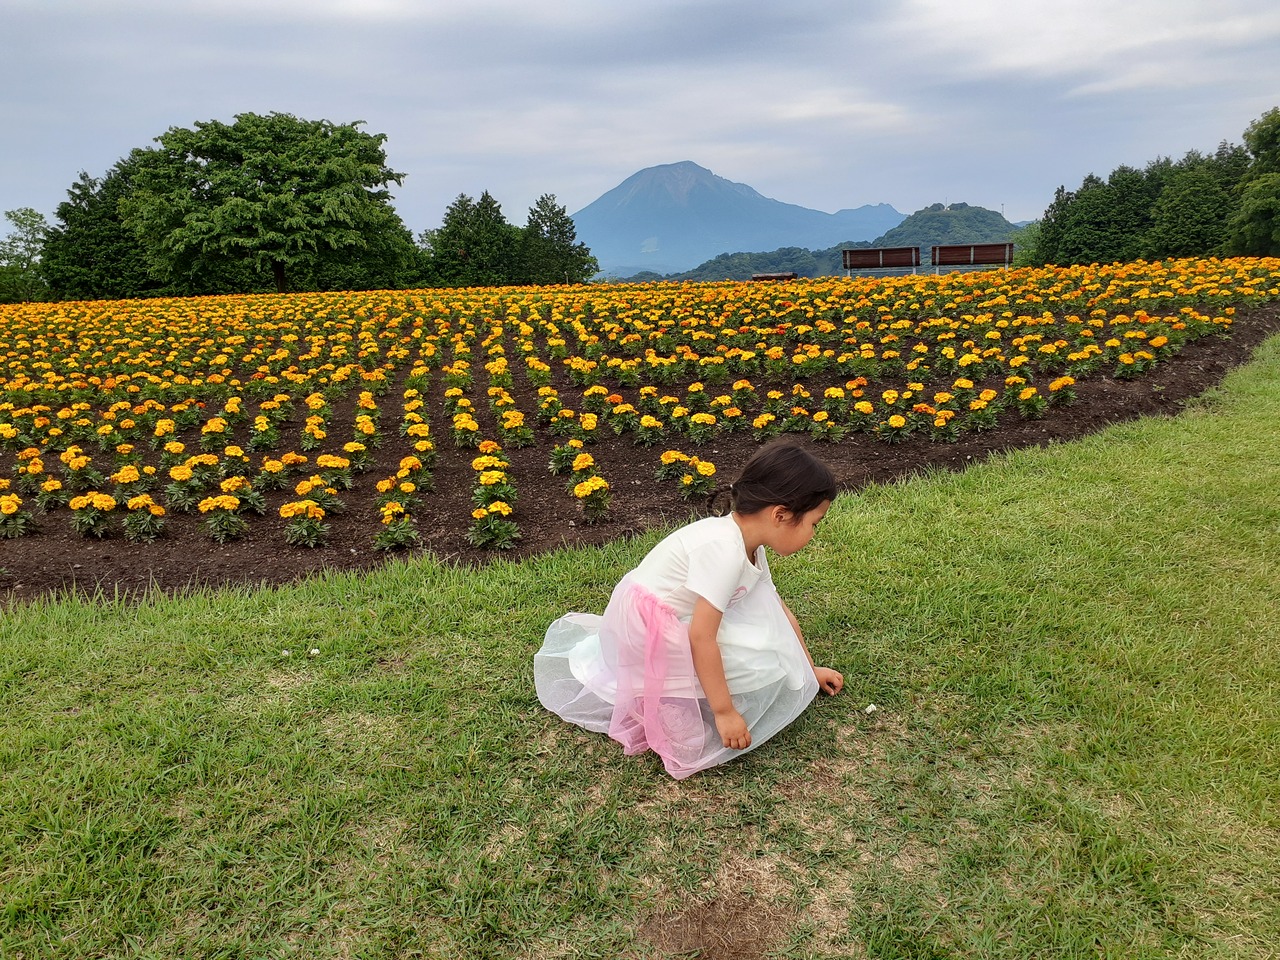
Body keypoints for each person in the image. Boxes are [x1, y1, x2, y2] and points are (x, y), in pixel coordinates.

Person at [534, 440, 844, 779]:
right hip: (647, 631)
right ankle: (663, 701)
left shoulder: (751, 543)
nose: (814, 533)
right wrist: (723, 711)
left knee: (767, 652)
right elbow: (701, 637)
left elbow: (777, 609)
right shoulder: (724, 550)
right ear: (780, 515)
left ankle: (679, 690)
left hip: (677, 619)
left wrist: (807, 668)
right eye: (815, 523)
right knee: (743, 672)